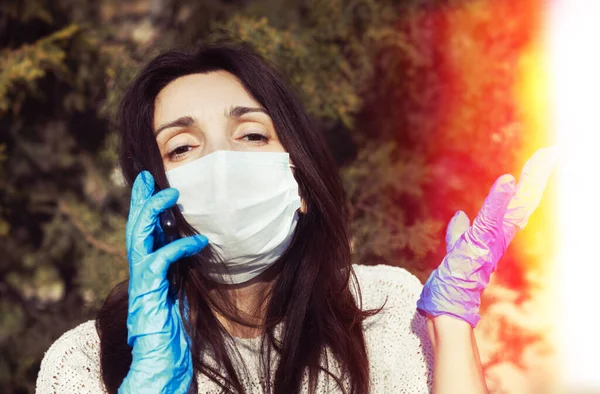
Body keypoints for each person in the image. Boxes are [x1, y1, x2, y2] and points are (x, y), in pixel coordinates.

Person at [35, 43, 556, 394]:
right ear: (152, 197)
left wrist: (452, 326)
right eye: (183, 147)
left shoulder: (388, 312)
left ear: (300, 181)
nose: (223, 166)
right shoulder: (86, 362)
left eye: (252, 135)